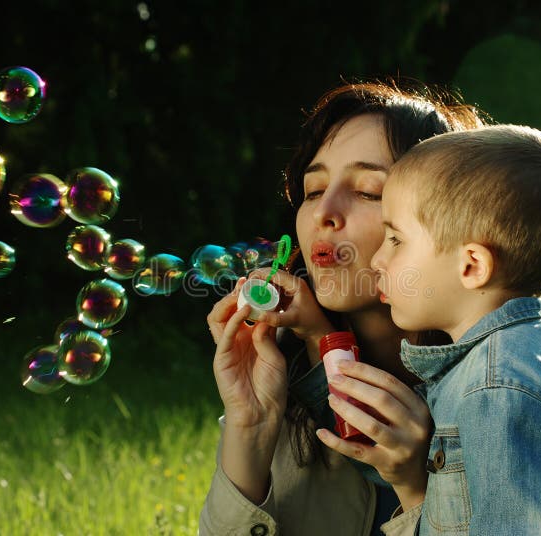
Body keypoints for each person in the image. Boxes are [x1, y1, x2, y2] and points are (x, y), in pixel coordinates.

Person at [199, 81, 483, 536]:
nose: (324, 212)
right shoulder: (284, 375)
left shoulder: (503, 391)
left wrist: (417, 489)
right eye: (312, 191)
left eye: (369, 191)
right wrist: (250, 424)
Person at [357, 124, 541, 534]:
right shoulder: (488, 369)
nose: (377, 259)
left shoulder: (499, 391)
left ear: (472, 266)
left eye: (395, 239)